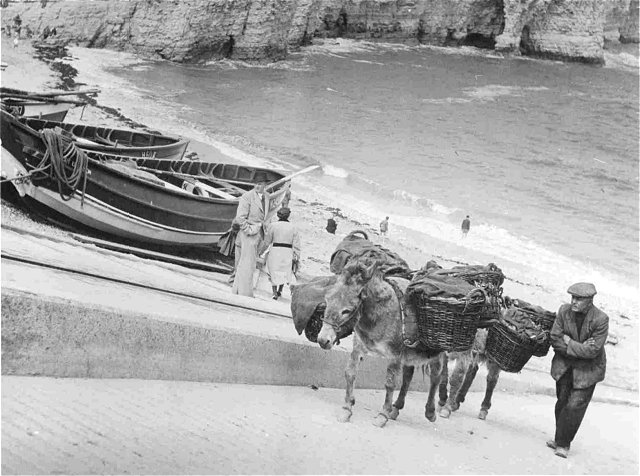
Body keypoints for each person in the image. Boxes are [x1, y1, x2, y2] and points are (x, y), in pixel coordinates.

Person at [547, 282, 608, 459]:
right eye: (573, 297)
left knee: (574, 406)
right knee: (562, 403)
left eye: (579, 299)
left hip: (588, 371)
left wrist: (569, 342)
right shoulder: (564, 311)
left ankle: (564, 444)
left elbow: (593, 351)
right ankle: (559, 438)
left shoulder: (601, 319)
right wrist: (577, 347)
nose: (573, 301)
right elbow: (554, 338)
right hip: (565, 366)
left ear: (590, 301)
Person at [232, 177, 270, 297]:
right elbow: (240, 218)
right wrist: (249, 230)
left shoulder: (267, 197)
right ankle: (245, 293)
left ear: (265, 185)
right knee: (247, 264)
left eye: (260, 184)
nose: (257, 186)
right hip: (249, 234)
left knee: (249, 263)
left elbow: (266, 215)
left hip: (260, 234)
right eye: (255, 184)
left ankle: (237, 290)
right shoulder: (247, 196)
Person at [262, 207, 300, 300]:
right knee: (284, 271)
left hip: (275, 250)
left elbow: (267, 241)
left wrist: (261, 251)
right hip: (287, 251)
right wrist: (297, 256)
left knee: (273, 271)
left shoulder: (273, 225)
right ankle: (280, 290)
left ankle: (274, 293)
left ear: (278, 215)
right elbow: (296, 244)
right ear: (288, 215)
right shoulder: (293, 227)